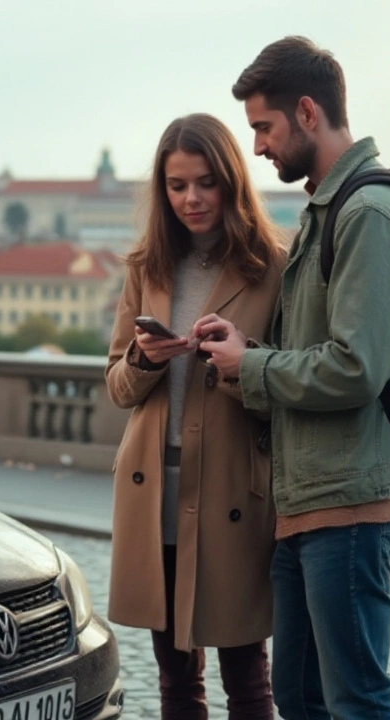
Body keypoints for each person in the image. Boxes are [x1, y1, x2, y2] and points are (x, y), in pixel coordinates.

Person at [196, 36, 390, 720]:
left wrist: (254, 365)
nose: (259, 148)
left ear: (306, 112)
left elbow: (357, 368)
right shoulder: (330, 210)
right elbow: (315, 353)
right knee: (300, 703)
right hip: (303, 503)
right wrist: (246, 352)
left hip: (349, 504)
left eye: (263, 128)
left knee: (354, 702)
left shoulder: (371, 214)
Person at [104, 112, 287, 719]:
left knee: (248, 679)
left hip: (232, 490)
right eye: (176, 185)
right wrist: (145, 357)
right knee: (176, 680)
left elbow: (288, 385)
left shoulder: (273, 267)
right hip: (153, 489)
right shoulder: (146, 266)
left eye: (204, 182)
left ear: (231, 181)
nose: (190, 199)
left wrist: (237, 362)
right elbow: (118, 387)